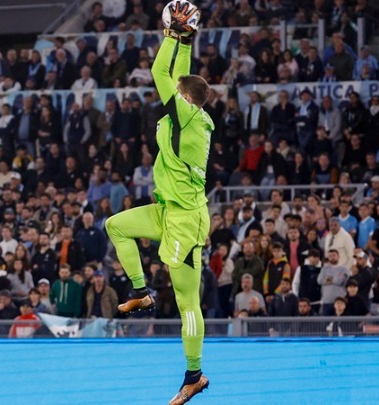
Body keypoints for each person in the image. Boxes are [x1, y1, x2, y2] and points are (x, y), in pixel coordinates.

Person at [104, 3, 211, 401]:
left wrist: (170, 35)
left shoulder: (185, 116)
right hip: (168, 209)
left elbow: (158, 72)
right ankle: (141, 291)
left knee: (187, 303)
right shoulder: (190, 111)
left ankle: (194, 375)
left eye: (178, 91)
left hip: (185, 219)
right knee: (116, 225)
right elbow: (178, 75)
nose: (172, 91)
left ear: (184, 98)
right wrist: (186, 40)